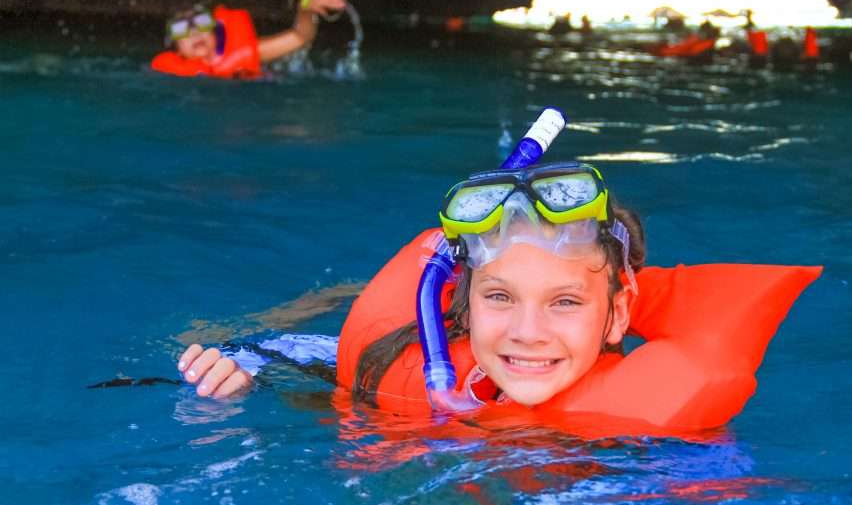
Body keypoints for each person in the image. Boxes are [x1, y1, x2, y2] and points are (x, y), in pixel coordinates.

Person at [177, 162, 819, 433]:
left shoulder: (658, 438)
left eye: (565, 302)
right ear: (462, 298)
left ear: (617, 312)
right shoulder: (402, 377)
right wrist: (239, 383)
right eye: (501, 297)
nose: (527, 332)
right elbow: (287, 367)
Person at [150, 0, 347, 79]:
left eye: (202, 23)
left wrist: (307, 6)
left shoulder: (245, 51)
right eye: (181, 29)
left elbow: (299, 37)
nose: (194, 33)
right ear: (175, 47)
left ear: (215, 30)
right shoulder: (170, 72)